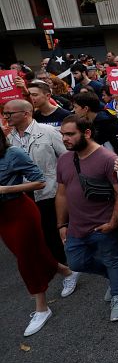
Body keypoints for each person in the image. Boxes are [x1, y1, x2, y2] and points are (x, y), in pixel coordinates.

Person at [0, 136, 76, 336]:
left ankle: (42, 308)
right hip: (3, 218)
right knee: (35, 253)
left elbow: (40, 181)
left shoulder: (12, 154)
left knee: (26, 260)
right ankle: (67, 272)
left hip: (19, 210)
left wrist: (5, 189)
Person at [56, 115, 118, 322]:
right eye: (63, 135)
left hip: (103, 225)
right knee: (77, 263)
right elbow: (61, 194)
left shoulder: (107, 159)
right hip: (76, 228)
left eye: (70, 134)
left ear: (87, 133)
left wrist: (114, 222)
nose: (65, 139)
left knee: (112, 258)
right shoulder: (63, 159)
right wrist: (61, 224)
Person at [4, 99, 69, 264]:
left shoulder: (48, 131)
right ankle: (63, 266)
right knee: (40, 235)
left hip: (51, 190)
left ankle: (70, 266)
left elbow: (67, 157)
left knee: (55, 229)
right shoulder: (8, 139)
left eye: (9, 113)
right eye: (5, 113)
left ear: (25, 114)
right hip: (24, 194)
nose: (6, 117)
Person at [72, 92, 118, 158]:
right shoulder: (91, 121)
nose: (74, 111)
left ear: (86, 109)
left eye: (76, 107)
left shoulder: (107, 122)